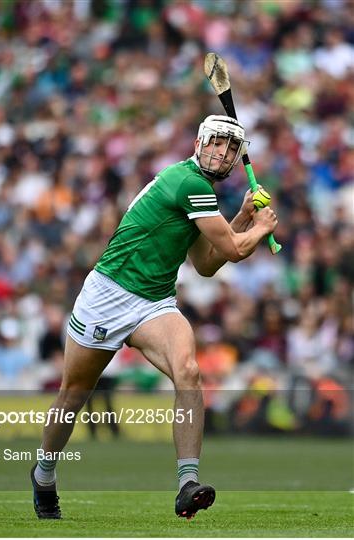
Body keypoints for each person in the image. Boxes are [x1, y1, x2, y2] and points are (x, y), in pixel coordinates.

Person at [30, 115, 278, 520]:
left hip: (154, 302)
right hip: (108, 295)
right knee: (74, 395)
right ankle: (43, 473)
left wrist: (244, 217)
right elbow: (233, 251)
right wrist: (261, 225)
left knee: (189, 372)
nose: (223, 152)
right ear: (199, 143)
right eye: (216, 143)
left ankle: (187, 484)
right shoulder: (188, 182)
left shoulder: (202, 195)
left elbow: (206, 264)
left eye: (231, 148)